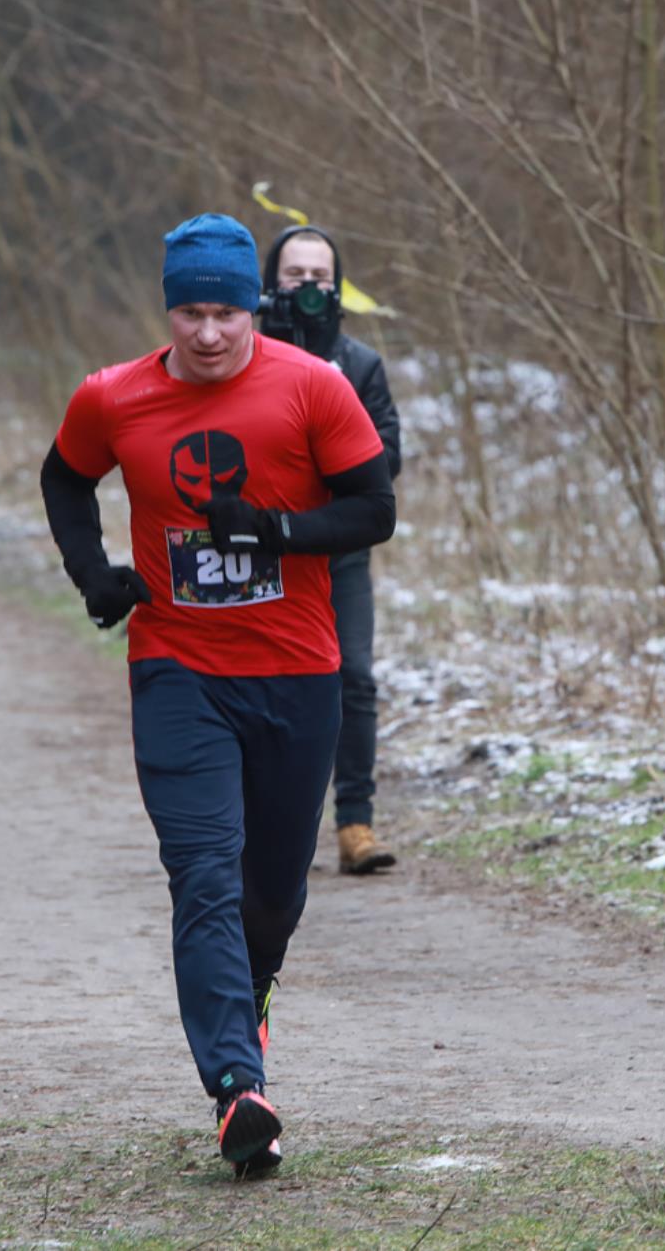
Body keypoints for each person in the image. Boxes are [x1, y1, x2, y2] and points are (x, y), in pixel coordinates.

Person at [39, 213, 394, 1174]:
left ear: (254, 308)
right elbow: (65, 479)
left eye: (225, 314)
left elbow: (374, 509)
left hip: (296, 672)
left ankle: (252, 1000)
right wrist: (92, 572)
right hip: (178, 668)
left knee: (270, 895)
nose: (207, 333)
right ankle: (239, 1085)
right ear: (168, 309)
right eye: (189, 313)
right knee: (203, 871)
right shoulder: (113, 396)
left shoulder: (313, 386)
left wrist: (274, 531)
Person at [259, 226, 403, 875]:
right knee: (262, 685)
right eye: (296, 275)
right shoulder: (243, 356)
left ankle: (355, 824)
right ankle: (264, 822)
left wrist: (327, 470)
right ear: (271, 283)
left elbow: (386, 457)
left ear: (339, 286)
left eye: (321, 276)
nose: (309, 288)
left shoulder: (360, 364)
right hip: (259, 553)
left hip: (338, 550)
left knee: (354, 677)